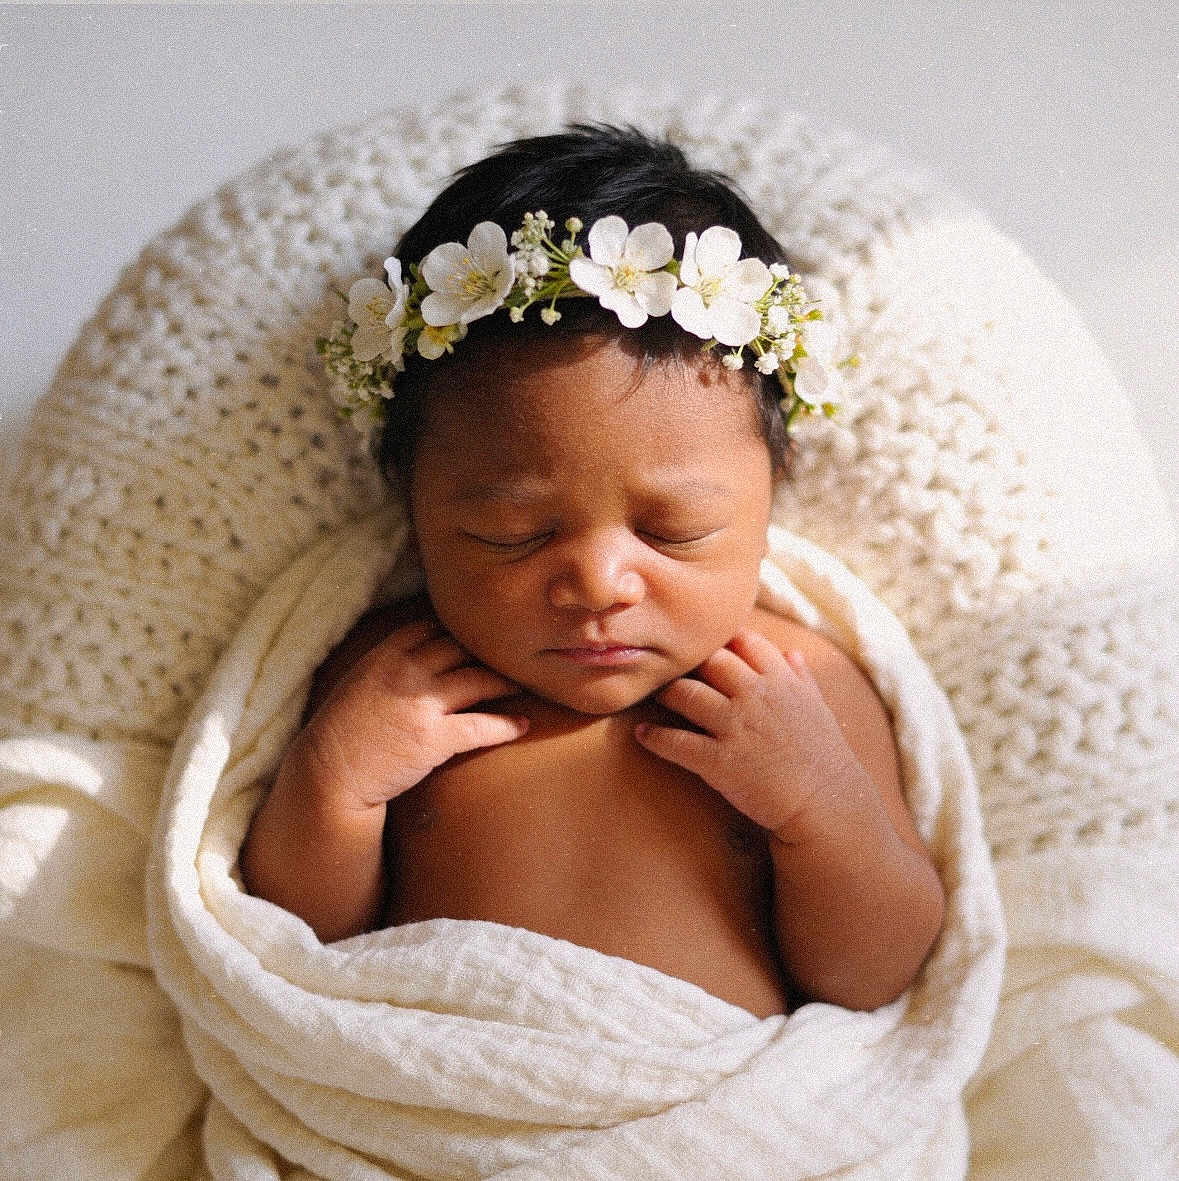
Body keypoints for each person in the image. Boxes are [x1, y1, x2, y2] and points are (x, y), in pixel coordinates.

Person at [239, 124, 945, 1018]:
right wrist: (332, 786)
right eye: (510, 532)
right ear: (415, 515)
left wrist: (823, 806)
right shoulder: (394, 680)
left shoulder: (793, 685)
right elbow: (298, 948)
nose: (600, 583)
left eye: (676, 529)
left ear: (770, 494)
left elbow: (872, 974)